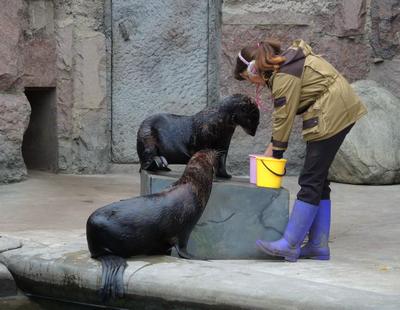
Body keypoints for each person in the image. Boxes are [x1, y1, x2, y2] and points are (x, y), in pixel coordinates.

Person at [234, 39, 367, 262]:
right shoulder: (287, 64)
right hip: (337, 107)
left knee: (310, 179)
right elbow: (283, 117)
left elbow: (283, 117)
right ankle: (318, 246)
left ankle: (290, 243)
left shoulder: (284, 75)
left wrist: (275, 154)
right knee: (319, 180)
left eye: (249, 79)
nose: (253, 83)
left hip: (331, 112)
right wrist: (273, 147)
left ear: (254, 68)